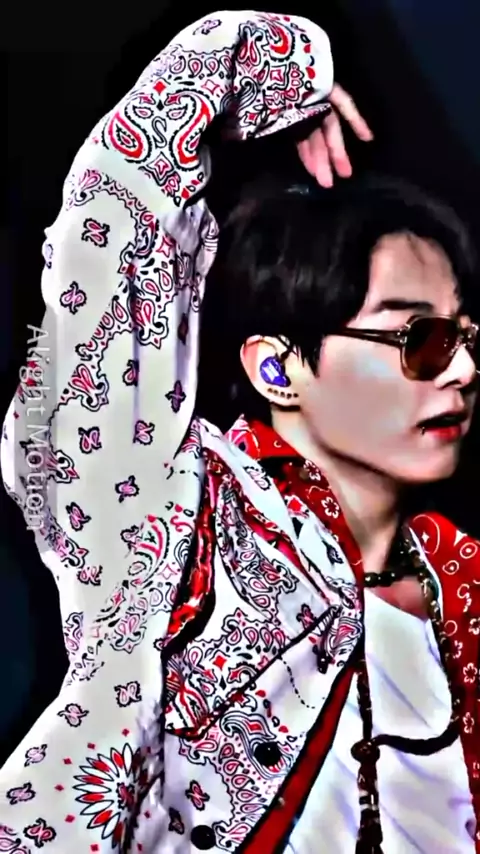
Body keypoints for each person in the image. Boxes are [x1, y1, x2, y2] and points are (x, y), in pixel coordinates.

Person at [1, 8, 479, 854]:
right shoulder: (179, 522)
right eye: (419, 337)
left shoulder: (463, 587)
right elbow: (109, 258)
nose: (463, 369)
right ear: (276, 369)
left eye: (466, 336)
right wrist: (258, 67)